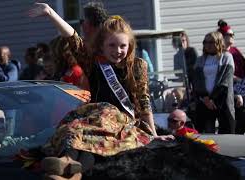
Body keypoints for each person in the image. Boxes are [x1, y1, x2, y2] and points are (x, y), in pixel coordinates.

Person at [28, 3, 174, 179]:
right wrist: (51, 13)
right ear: (102, 46)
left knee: (91, 131)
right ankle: (69, 167)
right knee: (81, 134)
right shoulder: (93, 62)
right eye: (112, 45)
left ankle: (70, 167)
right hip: (94, 117)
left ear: (130, 46)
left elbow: (143, 101)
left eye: (122, 46)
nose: (118, 51)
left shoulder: (137, 66)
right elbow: (72, 38)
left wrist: (153, 134)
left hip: (121, 123)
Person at [193, 31, 235, 134]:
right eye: (205, 42)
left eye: (211, 42)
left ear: (218, 42)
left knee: (226, 133)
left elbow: (225, 81)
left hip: (221, 101)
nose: (207, 45)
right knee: (206, 134)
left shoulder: (227, 57)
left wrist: (213, 99)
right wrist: (206, 98)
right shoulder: (200, 60)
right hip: (204, 101)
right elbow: (196, 81)